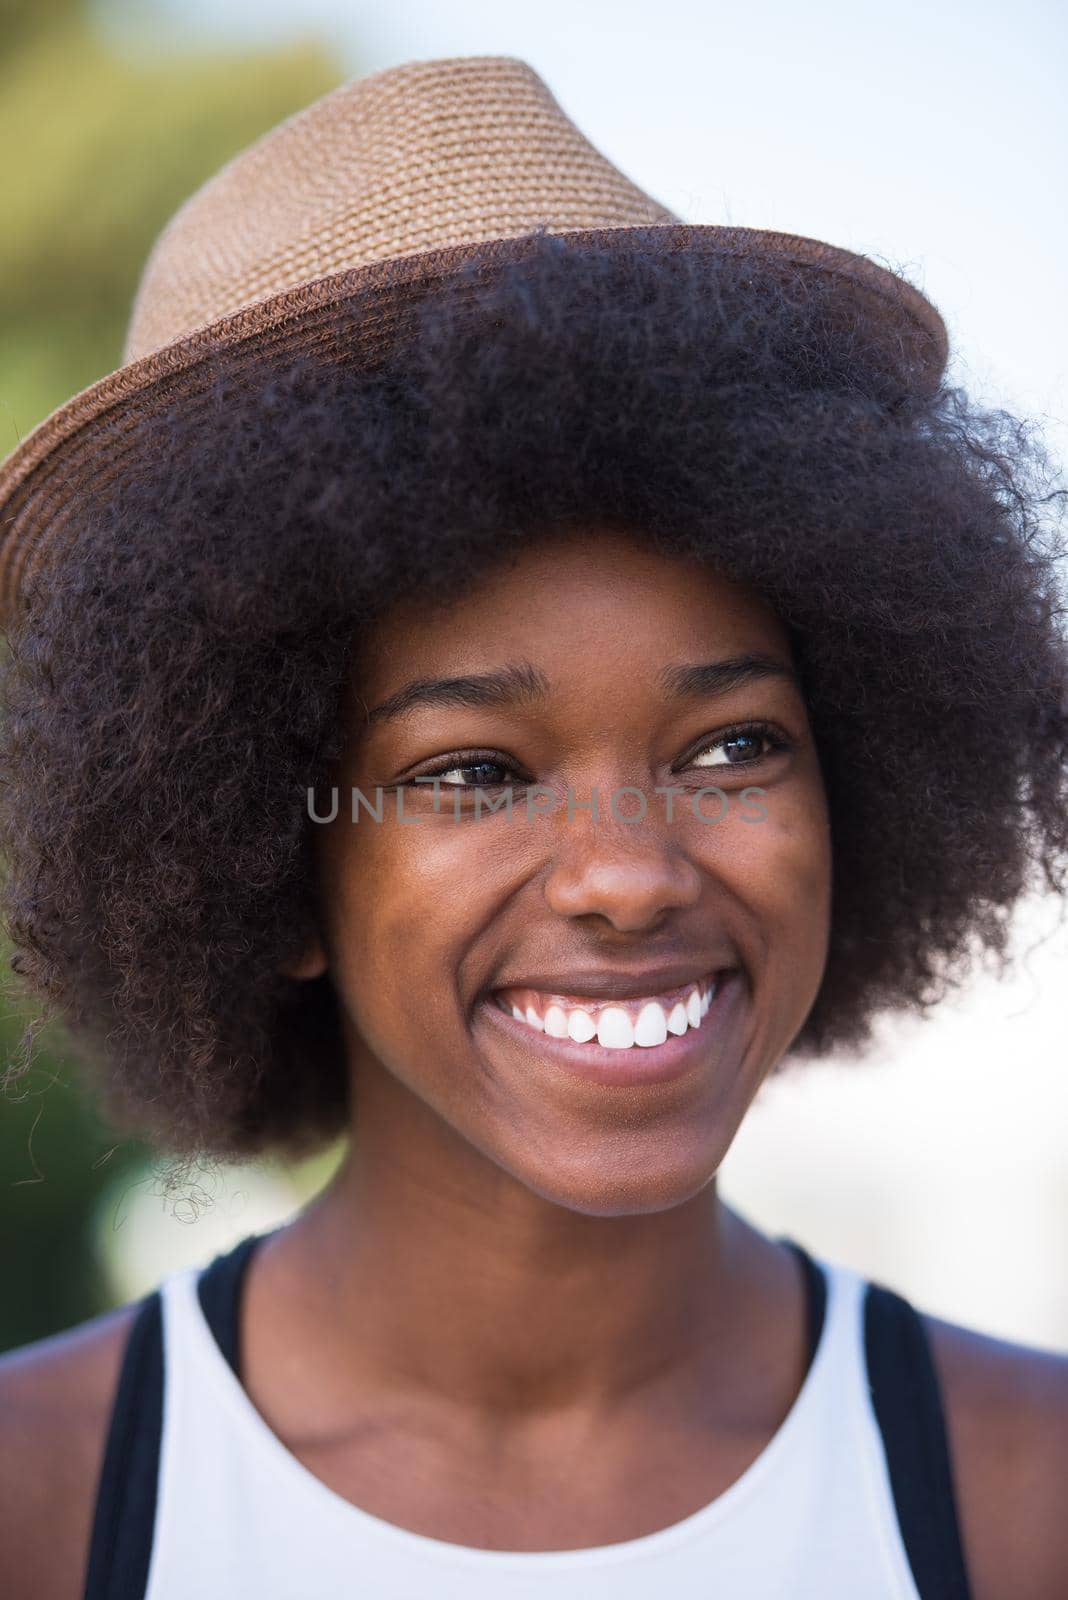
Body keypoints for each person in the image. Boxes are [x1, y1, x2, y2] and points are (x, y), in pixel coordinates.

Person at [0, 53, 1065, 1600]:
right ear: (259, 864)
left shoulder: (1023, 1499)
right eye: (473, 773)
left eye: (734, 745)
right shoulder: (43, 1508)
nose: (631, 874)